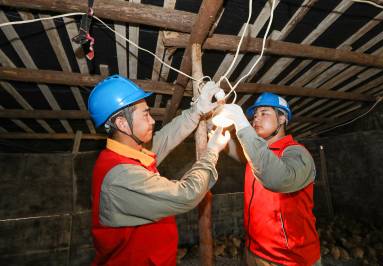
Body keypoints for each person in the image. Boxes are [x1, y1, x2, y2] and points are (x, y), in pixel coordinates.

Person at [88, 75, 230, 265]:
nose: (153, 120)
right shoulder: (120, 176)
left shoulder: (128, 153)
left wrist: (196, 111)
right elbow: (186, 194)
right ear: (122, 123)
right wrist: (212, 151)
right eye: (145, 114)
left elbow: (164, 138)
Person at [219, 92, 320, 266]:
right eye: (254, 116)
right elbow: (238, 151)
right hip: (254, 250)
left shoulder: (296, 153)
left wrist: (242, 126)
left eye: (264, 113)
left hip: (290, 258)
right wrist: (212, 130)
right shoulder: (256, 156)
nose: (256, 119)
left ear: (282, 119)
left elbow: (277, 179)